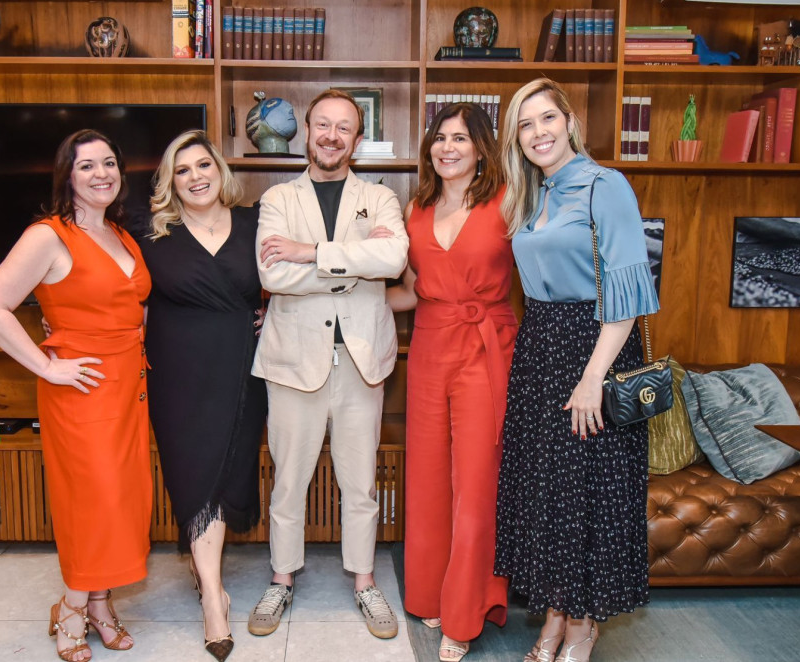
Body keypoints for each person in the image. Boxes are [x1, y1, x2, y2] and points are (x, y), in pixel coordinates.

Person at [493, 78, 659, 662]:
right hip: (540, 349)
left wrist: (592, 379)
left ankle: (582, 626)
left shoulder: (604, 186)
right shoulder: (529, 194)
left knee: (588, 496)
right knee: (548, 494)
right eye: (525, 124)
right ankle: (555, 618)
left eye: (547, 118)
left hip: (594, 349)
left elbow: (627, 297)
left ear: (569, 121)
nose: (538, 132)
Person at [0, 129, 151, 662]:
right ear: (67, 176)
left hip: (130, 387)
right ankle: (73, 606)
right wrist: (47, 367)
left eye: (109, 163)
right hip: (81, 390)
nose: (101, 174)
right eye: (86, 165)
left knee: (120, 501)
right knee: (91, 503)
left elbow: (131, 307)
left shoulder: (121, 235)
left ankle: (100, 603)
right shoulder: (48, 235)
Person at [248, 88, 409, 640]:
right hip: (294, 362)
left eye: (344, 127)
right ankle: (281, 578)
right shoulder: (278, 199)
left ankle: (364, 581)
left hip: (361, 361)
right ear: (307, 132)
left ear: (357, 139)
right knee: (289, 481)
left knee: (359, 483)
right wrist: (355, 266)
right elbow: (272, 274)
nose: (332, 136)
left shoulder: (380, 197)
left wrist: (309, 254)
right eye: (323, 125)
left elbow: (393, 258)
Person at [386, 102, 516, 662]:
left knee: (476, 485)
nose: (447, 147)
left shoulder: (509, 201)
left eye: (460, 138)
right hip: (430, 348)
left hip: (487, 348)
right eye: (440, 138)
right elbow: (409, 291)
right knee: (429, 479)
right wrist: (340, 300)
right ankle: (432, 594)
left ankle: (464, 614)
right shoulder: (415, 208)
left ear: (481, 147)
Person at [137, 130, 267, 662]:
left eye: (203, 165)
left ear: (220, 170)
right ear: (170, 182)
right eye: (182, 170)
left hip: (241, 369)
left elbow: (289, 275)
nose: (195, 177)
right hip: (178, 374)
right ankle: (215, 598)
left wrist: (275, 311)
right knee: (193, 475)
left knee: (226, 472)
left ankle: (206, 576)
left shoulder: (256, 222)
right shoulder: (150, 234)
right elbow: (119, 293)